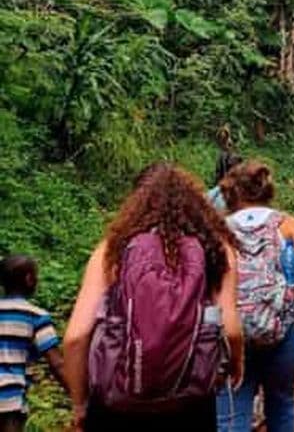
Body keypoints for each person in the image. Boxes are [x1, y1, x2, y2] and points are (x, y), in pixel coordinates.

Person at [63, 163, 243, 432]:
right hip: (189, 403)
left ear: (134, 203)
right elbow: (230, 330)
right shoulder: (215, 249)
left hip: (116, 405)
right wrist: (236, 364)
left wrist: (80, 404)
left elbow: (75, 337)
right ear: (195, 205)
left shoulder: (112, 251)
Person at [216, 160, 294, 432]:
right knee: (282, 405)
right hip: (281, 336)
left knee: (232, 416)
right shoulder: (286, 224)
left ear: (232, 192)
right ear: (266, 190)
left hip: (232, 336)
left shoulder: (218, 230)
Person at [0, 256, 66, 432]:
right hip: (9, 398)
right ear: (29, 279)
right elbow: (57, 363)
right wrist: (78, 395)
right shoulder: (35, 316)